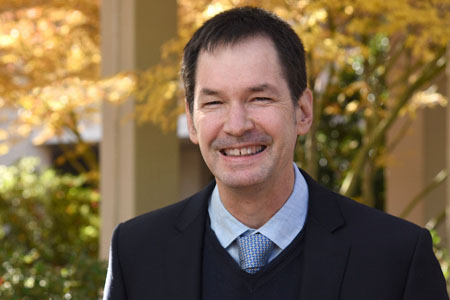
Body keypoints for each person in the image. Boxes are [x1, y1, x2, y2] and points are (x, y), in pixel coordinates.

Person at [103, 7, 448, 300]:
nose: (236, 125)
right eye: (214, 103)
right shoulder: (137, 251)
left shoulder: (397, 257)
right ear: (192, 122)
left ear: (303, 111)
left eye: (260, 98)